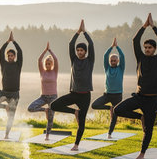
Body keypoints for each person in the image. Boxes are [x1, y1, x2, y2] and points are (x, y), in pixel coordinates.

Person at [114, 13, 157, 159]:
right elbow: (135, 40)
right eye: (146, 47)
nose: (147, 49)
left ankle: (142, 153)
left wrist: (153, 26)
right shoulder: (140, 58)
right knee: (118, 110)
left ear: (154, 49)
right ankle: (140, 117)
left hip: (153, 100)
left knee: (148, 130)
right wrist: (144, 26)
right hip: (139, 97)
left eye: (150, 47)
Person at [50, 20, 94, 151]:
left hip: (85, 96)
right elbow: (71, 44)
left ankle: (76, 144)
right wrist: (77, 32)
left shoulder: (90, 61)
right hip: (74, 94)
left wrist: (84, 32)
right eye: (78, 50)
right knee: (53, 105)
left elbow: (91, 44)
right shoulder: (73, 60)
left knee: (82, 122)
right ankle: (74, 111)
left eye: (82, 50)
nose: (80, 52)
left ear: (85, 52)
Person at [0, 32, 23, 139]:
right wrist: (7, 42)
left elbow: (20, 51)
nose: (10, 57)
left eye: (12, 55)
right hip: (4, 93)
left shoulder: (18, 64)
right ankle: (5, 107)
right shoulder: (4, 64)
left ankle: (6, 135)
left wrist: (14, 42)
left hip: (15, 94)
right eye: (9, 56)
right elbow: (1, 51)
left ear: (15, 56)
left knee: (11, 116)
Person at [91, 38, 125, 139]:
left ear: (117, 61)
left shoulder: (121, 68)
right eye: (111, 60)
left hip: (118, 95)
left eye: (115, 60)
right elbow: (105, 56)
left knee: (114, 116)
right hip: (107, 94)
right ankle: (109, 108)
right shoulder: (107, 68)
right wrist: (111, 47)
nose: (113, 62)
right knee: (94, 105)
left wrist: (117, 47)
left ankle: (109, 133)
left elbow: (122, 56)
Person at [28, 42, 58, 140]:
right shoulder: (42, 71)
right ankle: (45, 110)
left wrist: (50, 51)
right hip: (43, 97)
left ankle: (47, 135)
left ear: (52, 64)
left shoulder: (55, 71)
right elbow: (39, 60)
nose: (47, 65)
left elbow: (56, 59)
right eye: (46, 64)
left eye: (49, 63)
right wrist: (45, 51)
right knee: (30, 108)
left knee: (50, 118)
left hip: (53, 97)